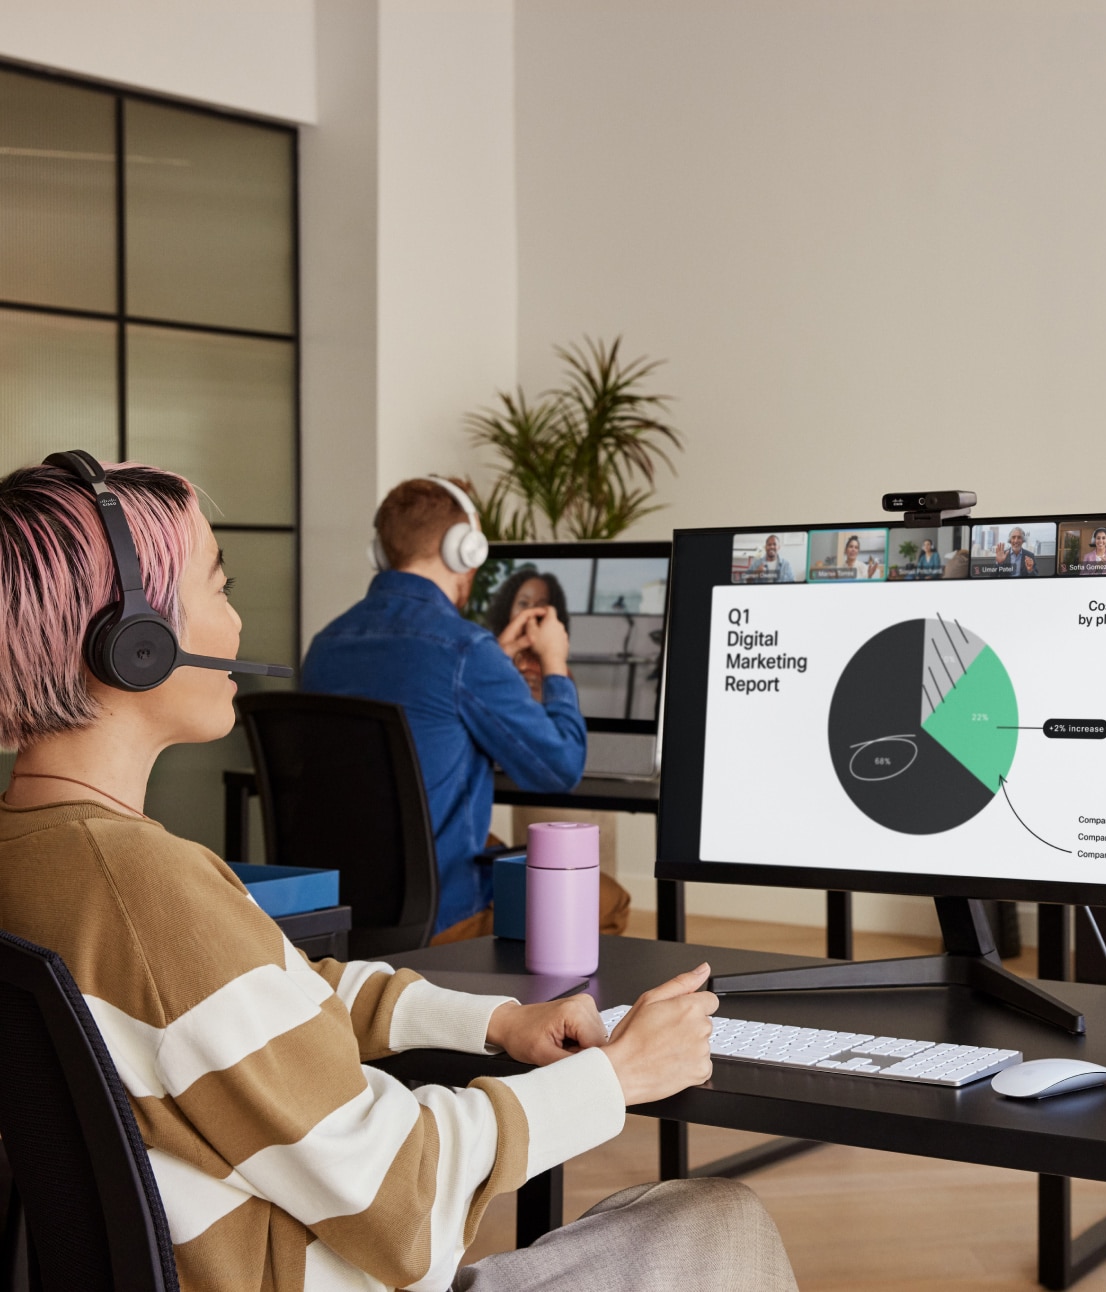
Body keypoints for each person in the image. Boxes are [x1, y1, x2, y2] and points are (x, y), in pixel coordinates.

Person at [0, 456, 798, 1292]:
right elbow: (399, 1199)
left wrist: (497, 1022)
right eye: (220, 585)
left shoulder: (48, 856)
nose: (238, 625)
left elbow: (273, 991)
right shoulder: (147, 892)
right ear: (136, 640)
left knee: (655, 1215)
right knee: (719, 1218)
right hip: (310, 1269)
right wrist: (614, 1076)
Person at [302, 479, 630, 942]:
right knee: (607, 900)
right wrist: (555, 664)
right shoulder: (464, 651)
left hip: (339, 909)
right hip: (437, 916)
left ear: (382, 551)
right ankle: (531, 1014)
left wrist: (491, 658)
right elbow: (559, 770)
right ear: (464, 550)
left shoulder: (325, 645)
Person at [485, 566, 570, 701]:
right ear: (508, 609)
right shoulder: (485, 657)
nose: (530, 613)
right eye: (523, 603)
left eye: (540, 605)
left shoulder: (558, 671)